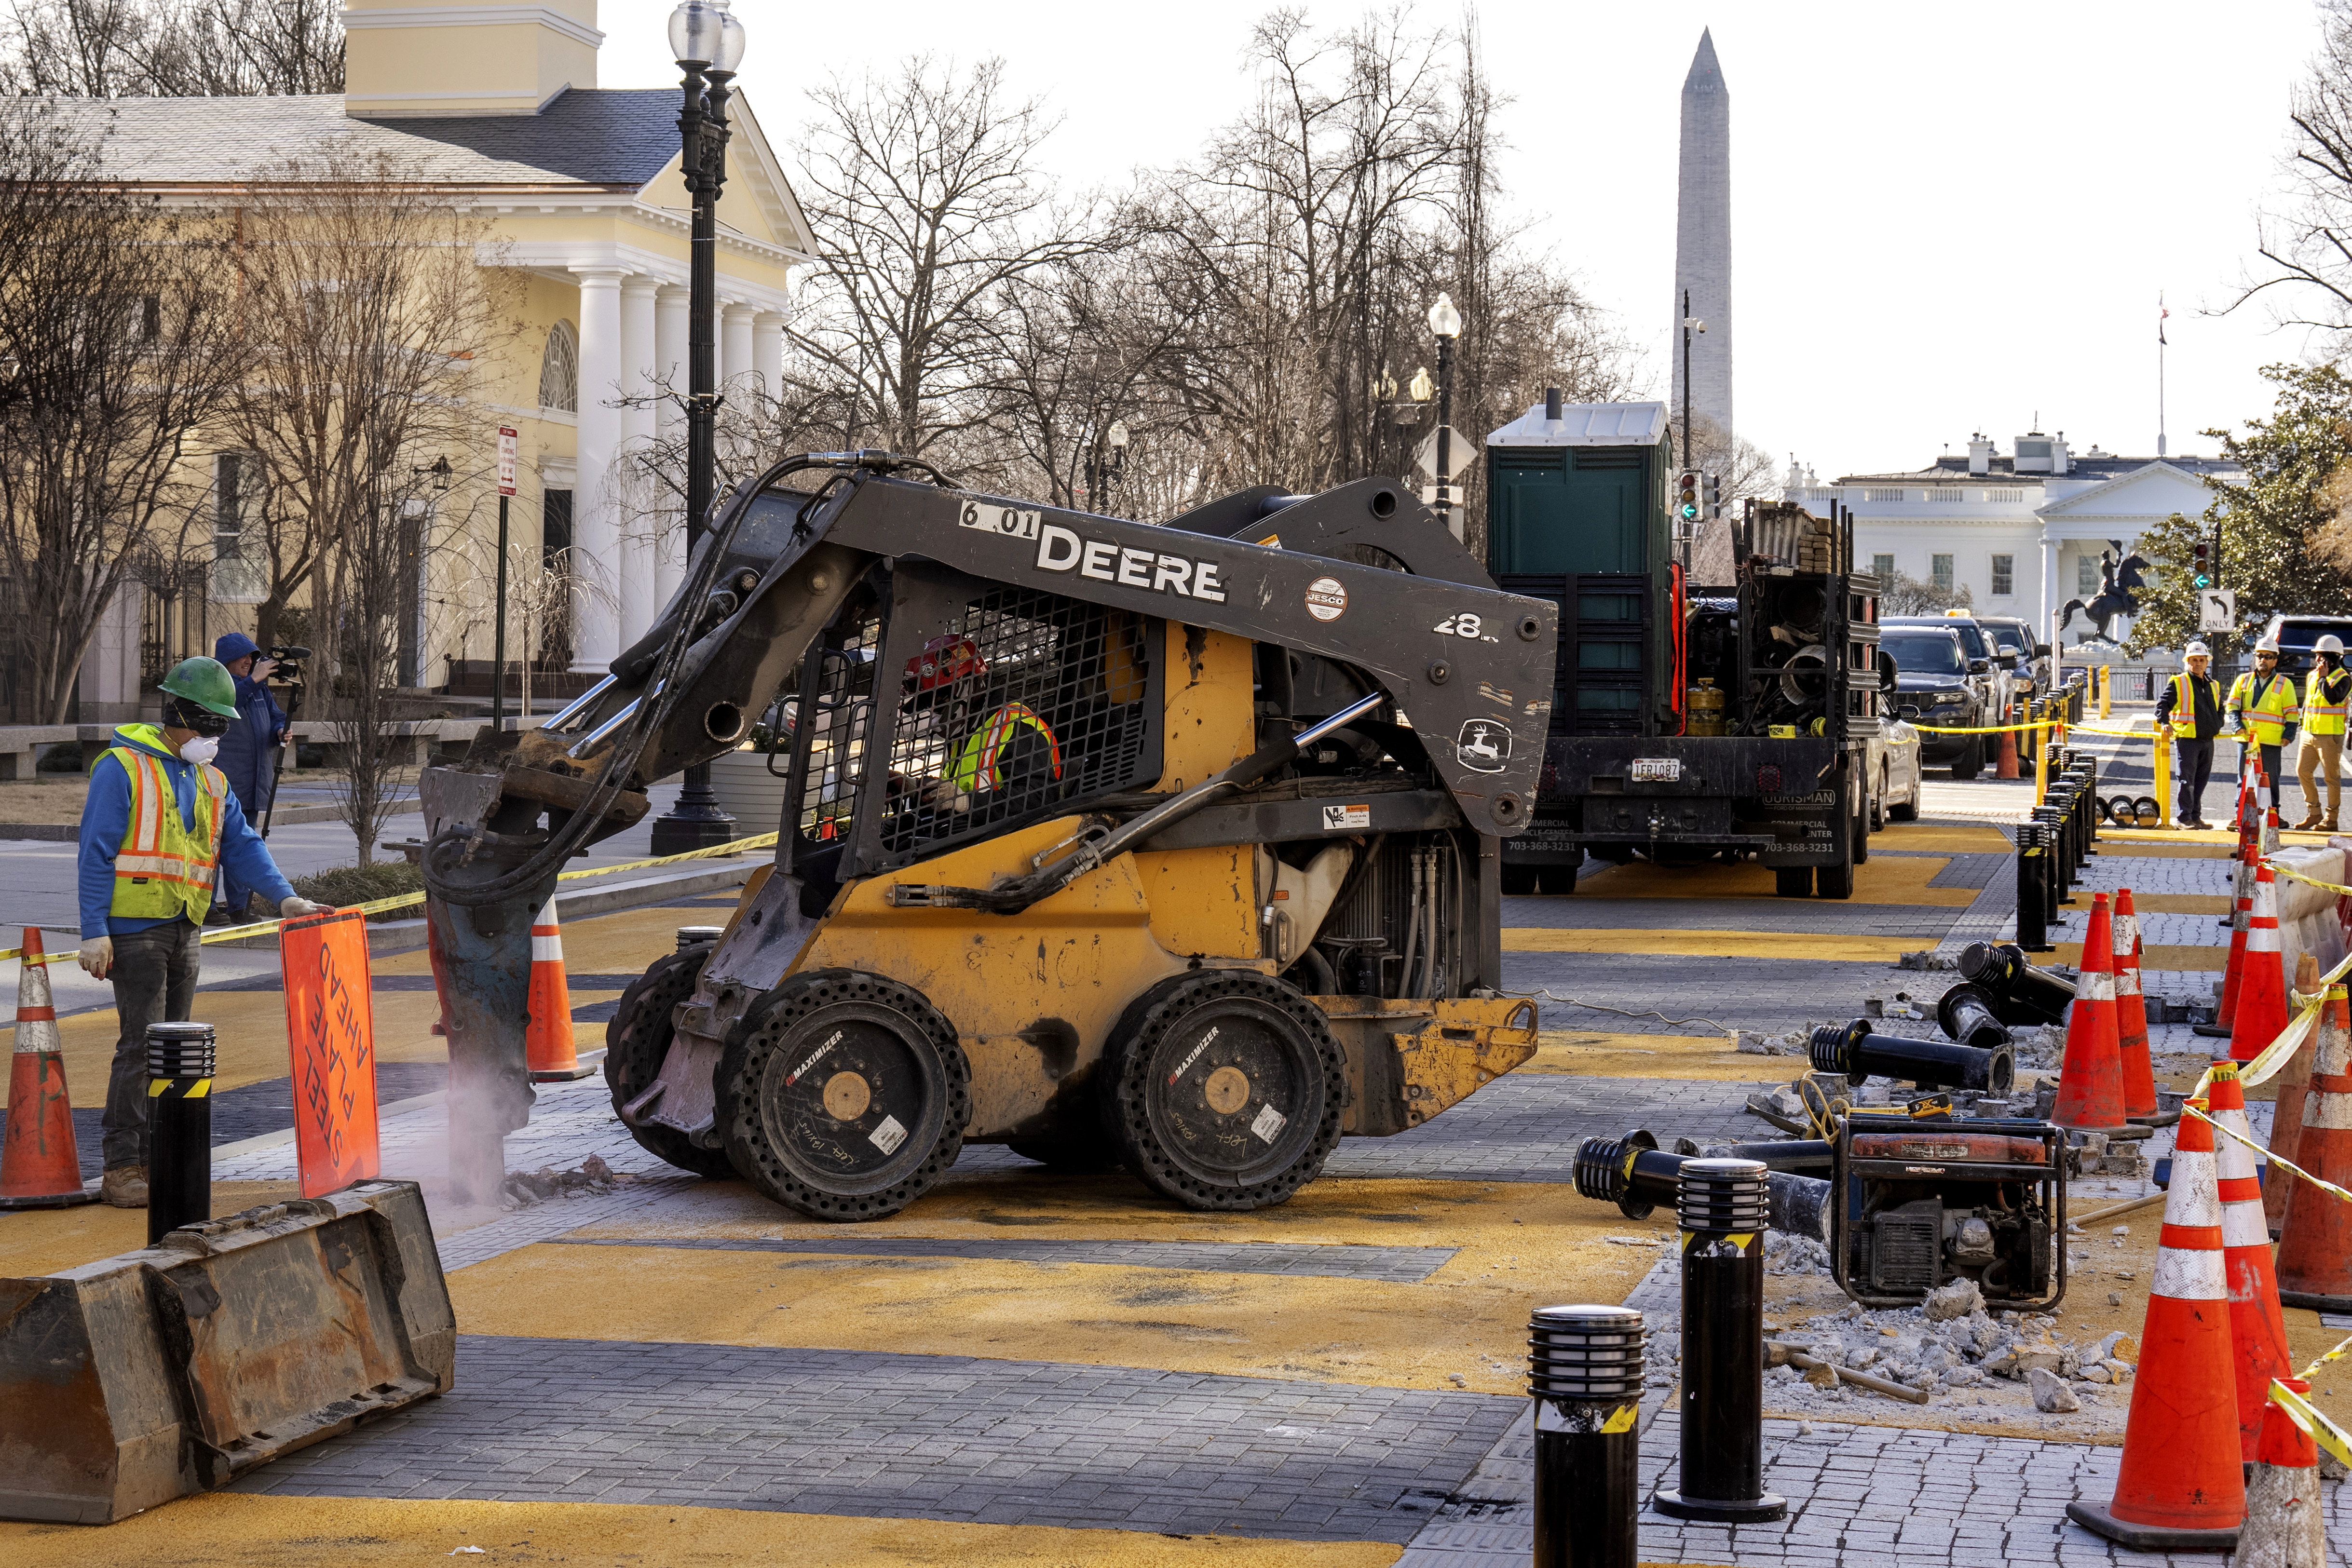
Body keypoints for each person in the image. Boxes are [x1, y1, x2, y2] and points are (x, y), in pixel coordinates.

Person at [76, 657, 329, 1207]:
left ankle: (159, 1157)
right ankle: (123, 1167)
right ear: (179, 715)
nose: (216, 736)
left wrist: (284, 896)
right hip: (135, 929)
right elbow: (95, 852)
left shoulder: (211, 780)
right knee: (141, 1047)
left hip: (185, 925)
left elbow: (241, 845)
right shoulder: (121, 768)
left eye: (222, 726)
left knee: (174, 1051)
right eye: (210, 724)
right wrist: (94, 929)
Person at [208, 631, 289, 924]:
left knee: (244, 846)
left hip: (254, 783)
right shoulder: (218, 686)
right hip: (225, 781)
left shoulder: (260, 690)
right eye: (244, 657)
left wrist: (280, 730)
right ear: (228, 660)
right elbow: (226, 704)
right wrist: (252, 680)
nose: (250, 662)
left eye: (253, 657)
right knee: (213, 846)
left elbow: (276, 716)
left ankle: (239, 907)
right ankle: (206, 907)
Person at [2156, 640, 2227, 830]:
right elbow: (2162, 705)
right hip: (2188, 739)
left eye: (2201, 660)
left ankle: (2195, 817)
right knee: (2187, 780)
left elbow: (2221, 708)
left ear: (2207, 662)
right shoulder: (2179, 682)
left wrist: (2218, 724)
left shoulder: (2214, 685)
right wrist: (2164, 722)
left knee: (2201, 781)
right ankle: (2184, 818)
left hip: (2207, 739)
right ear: (2187, 662)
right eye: (2194, 660)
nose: (2198, 664)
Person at [2226, 635, 2300, 813]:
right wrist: (2237, 726)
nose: (2263, 660)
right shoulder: (2243, 681)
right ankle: (2241, 815)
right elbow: (2232, 706)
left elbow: (2292, 714)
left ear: (2275, 660)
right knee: (2244, 779)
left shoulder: (2285, 684)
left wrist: (2288, 735)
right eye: (2260, 656)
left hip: (2272, 741)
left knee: (2270, 780)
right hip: (2247, 740)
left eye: (2268, 657)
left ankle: (2272, 815)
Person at [2297, 633, 2352, 831]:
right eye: (2318, 655)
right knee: (2303, 771)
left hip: (2330, 735)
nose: (2319, 659)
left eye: (2323, 656)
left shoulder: (2344, 678)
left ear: (2335, 658)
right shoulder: (2312, 675)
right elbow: (2309, 704)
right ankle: (2314, 813)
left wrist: (2323, 679)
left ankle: (2331, 819)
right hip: (2309, 733)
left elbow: (2333, 699)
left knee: (2331, 778)